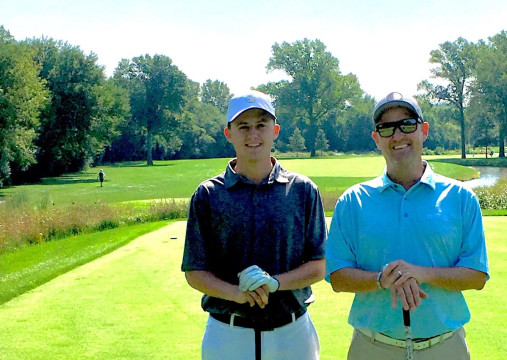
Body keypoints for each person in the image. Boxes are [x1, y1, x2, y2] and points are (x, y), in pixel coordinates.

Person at [326, 91, 489, 360]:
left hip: (445, 346)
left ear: (423, 131)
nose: (398, 135)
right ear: (376, 138)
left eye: (407, 125)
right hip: (372, 346)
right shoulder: (353, 201)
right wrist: (382, 279)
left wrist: (421, 273)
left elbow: (477, 275)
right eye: (387, 128)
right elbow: (338, 277)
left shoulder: (461, 198)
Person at [181, 90, 327, 360]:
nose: (253, 135)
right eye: (243, 127)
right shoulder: (208, 194)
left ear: (275, 131)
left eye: (261, 125)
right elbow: (194, 270)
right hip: (228, 334)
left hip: (293, 333)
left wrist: (274, 283)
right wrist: (236, 294)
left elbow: (319, 265)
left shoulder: (303, 190)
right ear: (229, 134)